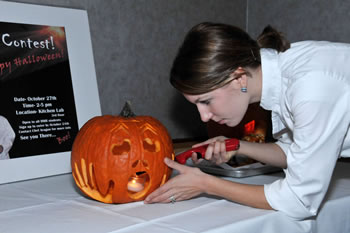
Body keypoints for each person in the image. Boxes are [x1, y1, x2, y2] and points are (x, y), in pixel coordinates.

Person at [144, 22, 350, 220]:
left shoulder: (309, 88)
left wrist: (206, 184)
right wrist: (237, 146)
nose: (203, 116)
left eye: (205, 101)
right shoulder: (283, 76)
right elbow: (295, 152)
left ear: (239, 78)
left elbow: (299, 200)